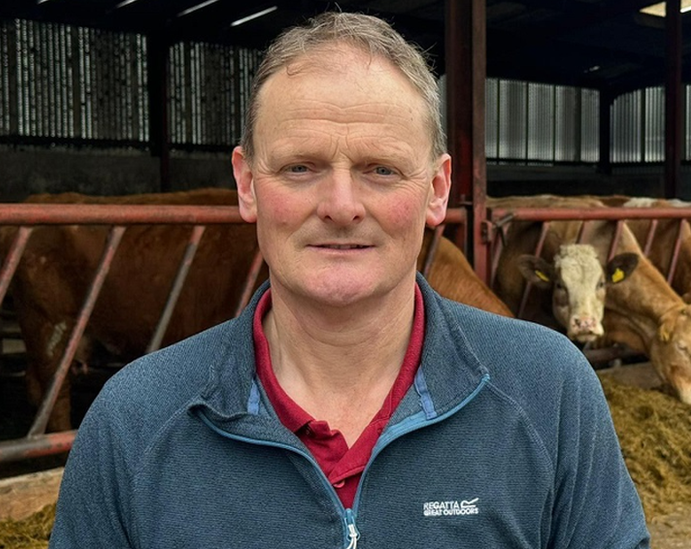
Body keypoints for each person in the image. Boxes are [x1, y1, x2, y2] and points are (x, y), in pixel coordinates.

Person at [49, 11, 650, 548]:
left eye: (381, 169)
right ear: (246, 183)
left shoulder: (550, 392)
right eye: (300, 167)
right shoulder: (134, 420)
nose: (340, 205)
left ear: (437, 189)